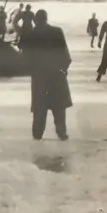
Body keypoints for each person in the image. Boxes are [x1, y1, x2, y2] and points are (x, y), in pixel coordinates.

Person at [23, 9, 72, 140]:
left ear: (35, 20)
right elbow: (64, 53)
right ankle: (61, 131)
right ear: (46, 18)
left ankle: (37, 132)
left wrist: (31, 70)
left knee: (39, 105)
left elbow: (26, 57)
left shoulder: (31, 34)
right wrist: (63, 68)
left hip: (39, 75)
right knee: (59, 105)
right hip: (56, 73)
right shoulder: (57, 31)